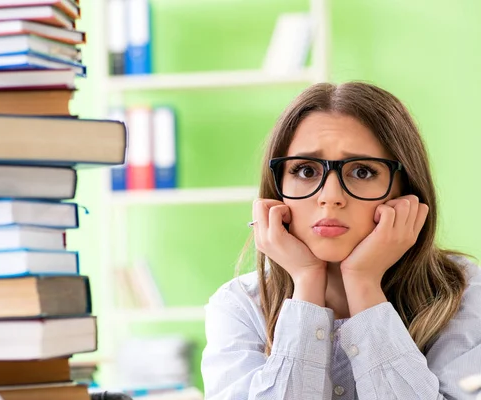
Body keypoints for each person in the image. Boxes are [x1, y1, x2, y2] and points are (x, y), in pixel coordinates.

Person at [201, 82, 481, 399]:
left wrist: (363, 284)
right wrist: (306, 283)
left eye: (361, 172)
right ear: (278, 189)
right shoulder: (240, 306)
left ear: (405, 193)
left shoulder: (465, 294)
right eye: (305, 170)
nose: (330, 197)